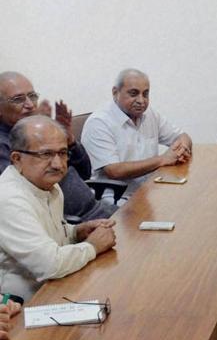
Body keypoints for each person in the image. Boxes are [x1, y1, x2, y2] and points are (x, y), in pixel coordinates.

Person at [0, 116, 116, 302]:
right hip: (21, 305)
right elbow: (49, 264)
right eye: (45, 154)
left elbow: (47, 234)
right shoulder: (9, 199)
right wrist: (93, 246)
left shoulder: (48, 185)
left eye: (62, 153)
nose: (58, 164)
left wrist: (76, 232)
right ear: (17, 159)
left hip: (58, 286)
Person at [0, 72, 116, 221]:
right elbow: (22, 192)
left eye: (33, 96)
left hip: (96, 207)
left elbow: (85, 172)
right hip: (77, 222)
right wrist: (37, 133)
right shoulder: (4, 144)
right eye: (18, 99)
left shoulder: (46, 132)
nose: (29, 105)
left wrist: (69, 140)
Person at [81, 68, 192, 205]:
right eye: (134, 93)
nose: (141, 100)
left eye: (145, 94)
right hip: (117, 198)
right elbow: (114, 171)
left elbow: (182, 136)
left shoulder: (150, 114)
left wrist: (181, 149)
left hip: (150, 190)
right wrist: (162, 159)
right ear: (115, 93)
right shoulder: (99, 123)